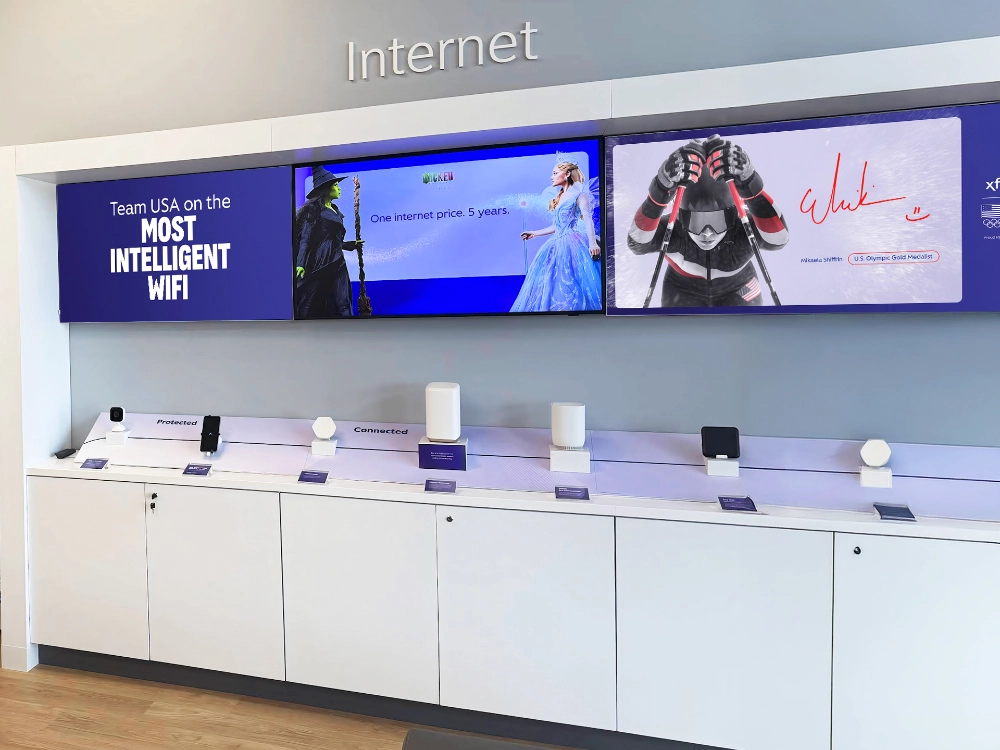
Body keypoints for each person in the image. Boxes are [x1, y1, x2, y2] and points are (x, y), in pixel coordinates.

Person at [627, 136, 789, 307]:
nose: (707, 233)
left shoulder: (742, 226)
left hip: (739, 287)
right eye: (695, 221)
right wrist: (659, 191)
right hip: (682, 289)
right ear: (680, 217)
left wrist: (750, 183)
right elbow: (637, 244)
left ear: (735, 215)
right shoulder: (674, 229)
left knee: (746, 324)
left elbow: (778, 240)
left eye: (719, 220)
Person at [510, 160, 603, 313]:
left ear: (567, 174)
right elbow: (557, 226)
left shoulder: (580, 195)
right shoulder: (560, 197)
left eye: (555, 173)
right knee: (552, 282)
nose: (551, 177)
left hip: (572, 243)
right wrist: (535, 233)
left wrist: (593, 243)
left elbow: (588, 220)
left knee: (573, 280)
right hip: (556, 243)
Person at [293, 167, 364, 318]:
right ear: (326, 189)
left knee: (343, 302)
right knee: (310, 302)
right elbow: (306, 238)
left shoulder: (336, 210)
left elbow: (333, 239)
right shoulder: (313, 210)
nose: (339, 188)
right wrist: (300, 264)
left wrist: (351, 245)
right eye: (335, 185)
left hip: (338, 262)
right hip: (320, 263)